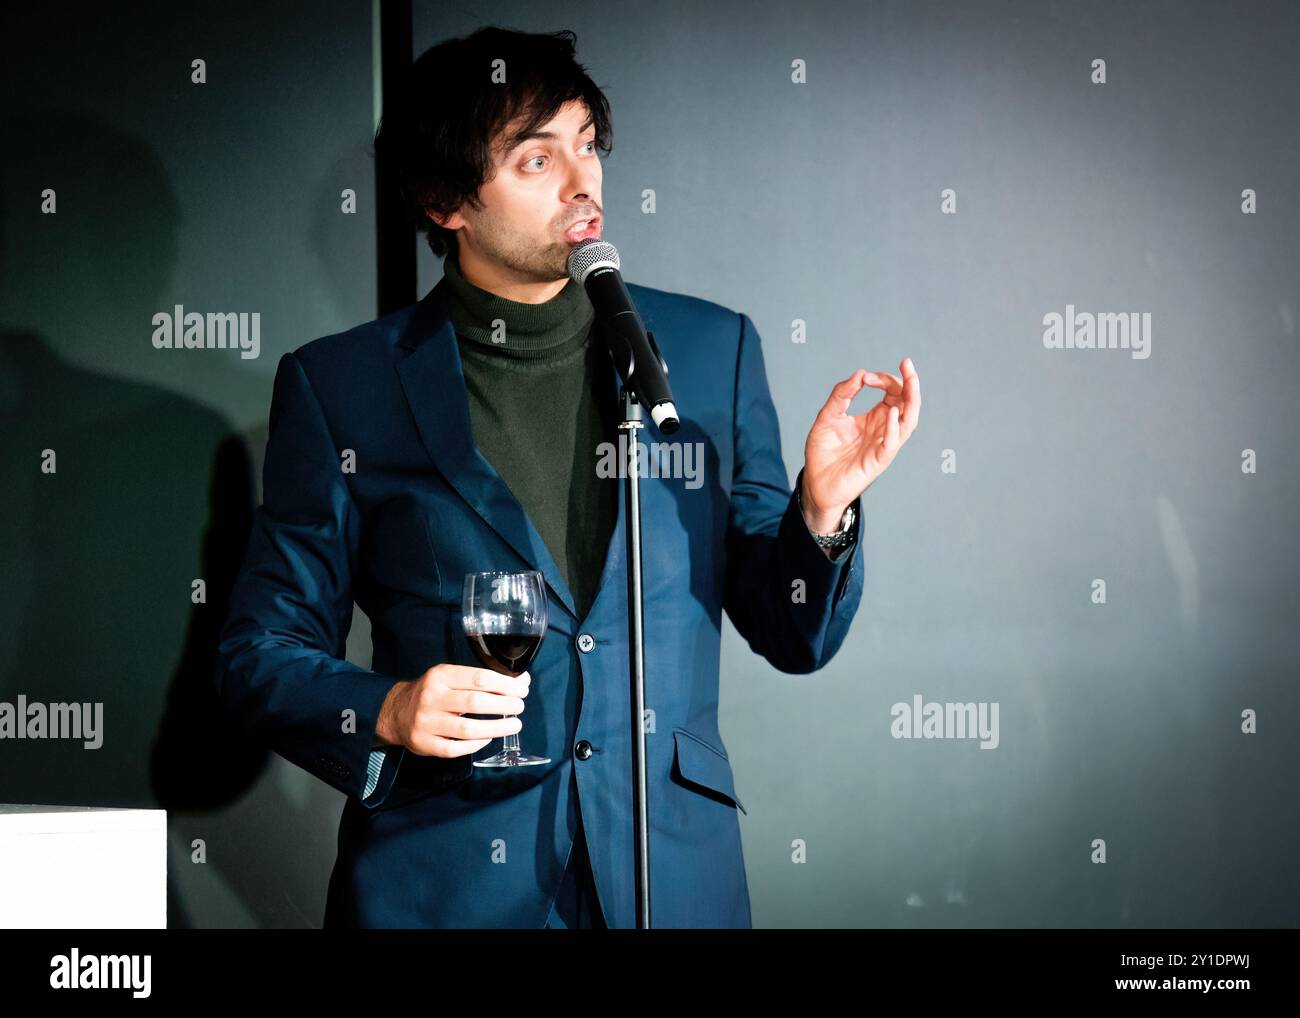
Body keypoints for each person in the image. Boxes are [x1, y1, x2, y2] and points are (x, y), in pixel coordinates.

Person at [214, 26, 920, 929]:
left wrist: (822, 514)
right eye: (536, 160)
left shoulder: (709, 352)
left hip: (672, 884)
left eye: (588, 145)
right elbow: (258, 654)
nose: (583, 182)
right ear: (445, 200)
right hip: (447, 886)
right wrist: (386, 709)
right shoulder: (342, 387)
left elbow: (791, 633)